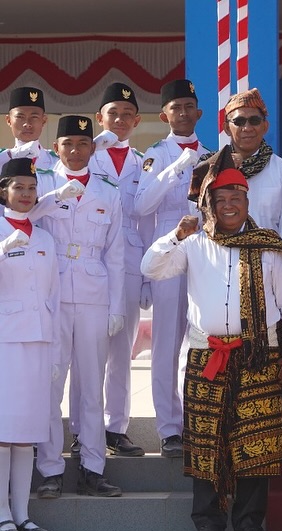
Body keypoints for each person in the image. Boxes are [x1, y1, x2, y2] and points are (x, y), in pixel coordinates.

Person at [140, 151, 282, 531]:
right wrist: (174, 235)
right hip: (206, 356)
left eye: (236, 198)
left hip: (258, 354)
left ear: (247, 202)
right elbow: (151, 267)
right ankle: (208, 521)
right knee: (205, 440)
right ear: (210, 205)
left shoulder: (268, 245)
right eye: (221, 200)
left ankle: (250, 521)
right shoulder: (194, 244)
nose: (229, 206)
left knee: (257, 440)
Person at [36, 115, 125, 499]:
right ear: (56, 147)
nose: (75, 151)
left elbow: (117, 254)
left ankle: (92, 467)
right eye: (67, 143)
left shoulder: (108, 190)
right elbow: (21, 218)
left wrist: (117, 306)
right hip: (50, 292)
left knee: (91, 385)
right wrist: (55, 197)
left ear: (93, 147)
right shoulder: (41, 184)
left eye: (82, 144)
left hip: (94, 291)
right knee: (50, 382)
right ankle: (50, 468)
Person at [135, 79, 213, 458]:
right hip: (167, 257)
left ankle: (198, 420)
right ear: (164, 115)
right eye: (175, 108)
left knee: (199, 344)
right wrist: (176, 167)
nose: (182, 114)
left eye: (188, 107)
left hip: (202, 258)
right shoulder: (155, 154)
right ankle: (169, 428)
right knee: (165, 345)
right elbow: (141, 207)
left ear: (198, 113)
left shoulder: (213, 156)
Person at [89, 82, 151, 457]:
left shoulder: (143, 163)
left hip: (127, 264)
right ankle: (84, 428)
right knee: (85, 351)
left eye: (127, 114)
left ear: (138, 121)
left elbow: (146, 223)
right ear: (100, 118)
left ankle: (116, 427)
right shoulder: (83, 157)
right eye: (113, 113)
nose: (120, 120)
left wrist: (144, 275)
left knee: (121, 352)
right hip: (89, 262)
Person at [0, 158, 59, 531]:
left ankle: (23, 515)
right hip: (5, 340)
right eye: (18, 187)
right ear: (3, 190)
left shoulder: (45, 237)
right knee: (3, 431)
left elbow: (51, 293)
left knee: (27, 432)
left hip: (38, 340)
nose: (26, 194)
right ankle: (1, 514)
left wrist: (54, 347)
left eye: (31, 188)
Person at [215, 88, 282, 250]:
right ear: (227, 128)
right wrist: (225, 167)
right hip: (221, 263)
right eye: (239, 122)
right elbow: (201, 219)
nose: (247, 128)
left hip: (270, 263)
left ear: (265, 126)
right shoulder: (213, 169)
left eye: (254, 121)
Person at [1, 87, 57, 171]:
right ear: (9, 120)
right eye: (20, 117)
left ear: (44, 120)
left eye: (34, 117)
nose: (27, 124)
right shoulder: (3, 158)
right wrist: (11, 155)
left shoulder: (56, 162)